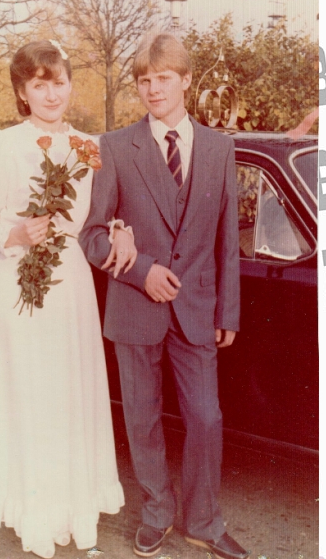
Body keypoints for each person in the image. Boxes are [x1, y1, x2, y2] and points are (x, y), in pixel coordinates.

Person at [0, 39, 133, 558]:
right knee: (26, 393)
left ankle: (68, 506)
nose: (52, 94)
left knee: (64, 394)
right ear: (22, 91)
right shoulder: (3, 144)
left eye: (59, 82)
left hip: (70, 289)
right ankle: (29, 510)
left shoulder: (89, 145)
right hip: (18, 286)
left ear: (70, 85)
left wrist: (120, 227)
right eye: (39, 84)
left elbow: (104, 214)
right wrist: (12, 235)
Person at [79, 32, 248, 559]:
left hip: (197, 310)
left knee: (206, 418)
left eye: (164, 78)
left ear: (187, 81)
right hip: (135, 309)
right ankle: (157, 513)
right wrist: (141, 270)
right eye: (144, 81)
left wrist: (228, 310)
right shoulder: (114, 146)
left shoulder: (220, 148)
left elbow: (226, 240)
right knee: (143, 418)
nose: (153, 89)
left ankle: (203, 521)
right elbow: (93, 236)